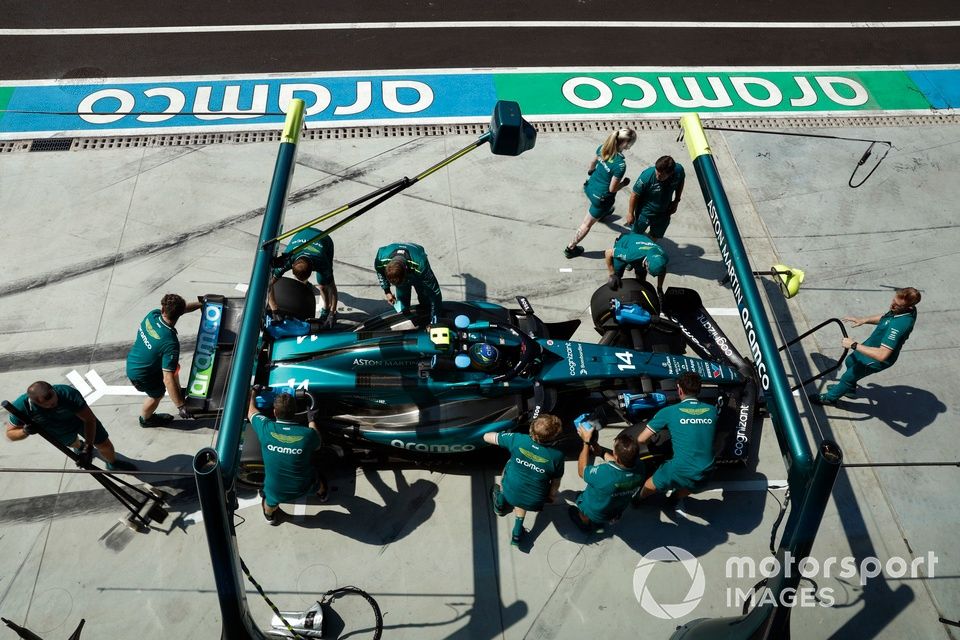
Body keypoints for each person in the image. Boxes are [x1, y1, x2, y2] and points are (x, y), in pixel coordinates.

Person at [810, 287, 921, 406]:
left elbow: (882, 355)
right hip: (871, 345)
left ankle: (829, 398)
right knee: (850, 361)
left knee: (848, 376)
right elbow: (886, 318)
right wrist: (863, 320)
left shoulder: (899, 325)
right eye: (894, 300)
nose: (892, 305)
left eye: (897, 305)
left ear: (908, 307)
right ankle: (848, 389)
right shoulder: (903, 310)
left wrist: (853, 345)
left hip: (875, 358)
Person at [5, 381, 137, 471]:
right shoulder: (20, 407)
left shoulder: (68, 393)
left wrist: (89, 447)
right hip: (56, 430)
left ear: (54, 390)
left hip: (79, 421)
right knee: (74, 443)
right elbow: (10, 434)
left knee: (105, 445)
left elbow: (89, 420)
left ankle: (112, 462)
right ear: (34, 402)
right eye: (47, 405)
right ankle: (79, 446)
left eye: (54, 400)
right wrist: (25, 431)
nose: (53, 405)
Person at [634, 373, 716, 511]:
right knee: (692, 486)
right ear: (699, 390)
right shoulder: (712, 411)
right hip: (706, 468)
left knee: (652, 483)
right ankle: (674, 498)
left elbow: (641, 439)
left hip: (680, 468)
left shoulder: (669, 411)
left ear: (679, 390)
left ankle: (638, 499)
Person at [482, 414, 565, 546]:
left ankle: (500, 504)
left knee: (510, 466)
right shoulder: (558, 456)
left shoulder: (518, 439)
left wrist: (504, 435)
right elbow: (556, 483)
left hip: (511, 490)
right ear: (554, 437)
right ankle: (516, 533)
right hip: (534, 501)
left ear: (531, 429)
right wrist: (551, 495)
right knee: (526, 490)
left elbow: (486, 436)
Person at [247, 390, 328, 525]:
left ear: (274, 412)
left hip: (275, 491)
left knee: (269, 502)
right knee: (317, 482)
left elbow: (251, 412)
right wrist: (311, 420)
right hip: (304, 487)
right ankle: (322, 494)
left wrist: (253, 393)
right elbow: (318, 444)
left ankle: (270, 516)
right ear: (295, 411)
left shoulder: (266, 427)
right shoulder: (307, 435)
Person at [126, 294, 200, 426]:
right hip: (143, 375)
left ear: (162, 309)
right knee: (157, 395)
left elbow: (180, 309)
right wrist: (181, 406)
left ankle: (178, 391)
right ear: (179, 315)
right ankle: (146, 419)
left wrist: (201, 304)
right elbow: (167, 378)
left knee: (173, 365)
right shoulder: (170, 343)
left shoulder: (153, 315)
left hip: (135, 361)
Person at [564, 128, 637, 259]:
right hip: (601, 198)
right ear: (626, 144)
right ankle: (570, 248)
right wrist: (624, 184)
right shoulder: (620, 165)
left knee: (603, 208)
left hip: (590, 187)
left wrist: (591, 173)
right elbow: (612, 189)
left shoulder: (604, 148)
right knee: (586, 224)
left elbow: (592, 164)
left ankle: (602, 214)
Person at [569, 426, 644, 533]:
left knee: (582, 505)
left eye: (613, 450)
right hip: (616, 509)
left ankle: (584, 522)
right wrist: (601, 452)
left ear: (617, 457)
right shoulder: (641, 467)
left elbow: (582, 471)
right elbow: (621, 464)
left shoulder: (605, 474)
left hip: (595, 511)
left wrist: (586, 443)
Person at [270, 227, 338, 327]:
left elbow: (332, 289)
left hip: (324, 240)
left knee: (323, 286)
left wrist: (332, 312)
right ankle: (305, 284)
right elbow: (268, 284)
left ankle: (326, 309)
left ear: (313, 270)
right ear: (292, 266)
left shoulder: (321, 263)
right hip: (302, 234)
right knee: (322, 284)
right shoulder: (288, 259)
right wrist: (274, 309)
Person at [374, 242, 442, 317]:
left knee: (425, 298)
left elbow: (435, 293)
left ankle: (427, 312)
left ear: (406, 272)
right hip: (405, 267)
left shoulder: (421, 265)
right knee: (402, 299)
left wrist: (434, 319)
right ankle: (405, 314)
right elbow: (380, 272)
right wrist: (387, 291)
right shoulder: (380, 259)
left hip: (416, 262)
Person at [626, 155, 685, 241]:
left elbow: (681, 181)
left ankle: (646, 250)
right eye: (656, 173)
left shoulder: (678, 171)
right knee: (635, 236)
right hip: (645, 212)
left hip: (664, 212)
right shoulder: (647, 176)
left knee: (655, 236)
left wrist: (676, 200)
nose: (657, 177)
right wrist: (630, 213)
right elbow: (634, 195)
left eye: (660, 176)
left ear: (670, 173)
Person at [604, 231, 669, 296]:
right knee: (616, 278)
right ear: (647, 264)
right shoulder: (631, 255)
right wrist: (612, 274)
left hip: (640, 241)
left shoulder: (663, 256)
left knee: (641, 278)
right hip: (625, 244)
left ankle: (633, 268)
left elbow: (662, 270)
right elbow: (608, 253)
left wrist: (659, 288)